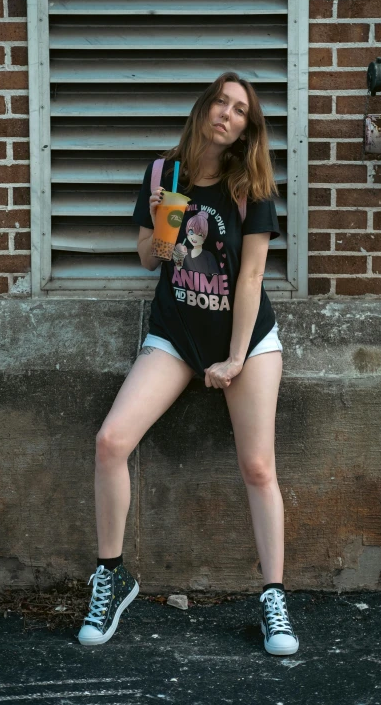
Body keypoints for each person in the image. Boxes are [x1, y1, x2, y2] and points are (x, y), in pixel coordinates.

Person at [78, 72, 299, 656]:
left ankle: (273, 596)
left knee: (258, 467)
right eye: (221, 102)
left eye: (240, 110)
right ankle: (112, 577)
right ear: (205, 108)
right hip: (175, 333)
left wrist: (234, 356)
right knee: (110, 442)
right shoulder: (163, 174)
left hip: (245, 339)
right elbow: (149, 259)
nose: (227, 114)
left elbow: (251, 276)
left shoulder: (250, 187)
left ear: (247, 129)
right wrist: (159, 230)